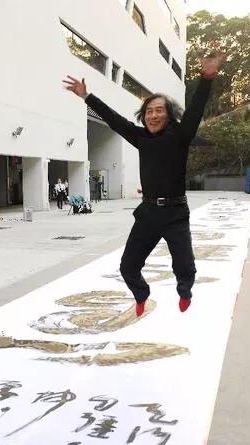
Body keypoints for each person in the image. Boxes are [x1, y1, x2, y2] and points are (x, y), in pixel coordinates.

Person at [63, 50, 224, 314]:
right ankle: (141, 294)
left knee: (185, 268)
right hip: (148, 212)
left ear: (168, 115)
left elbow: (195, 110)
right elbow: (114, 120)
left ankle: (185, 291)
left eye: (159, 110)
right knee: (127, 267)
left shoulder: (180, 135)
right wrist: (87, 96)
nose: (153, 115)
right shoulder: (141, 137)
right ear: (144, 115)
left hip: (175, 213)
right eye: (149, 111)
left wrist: (207, 78)